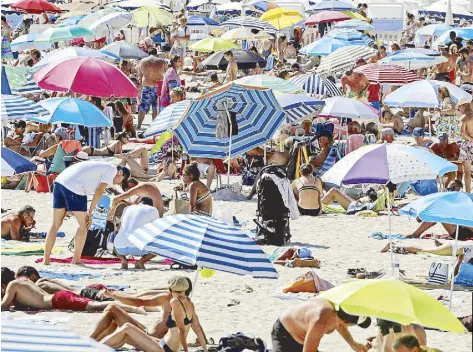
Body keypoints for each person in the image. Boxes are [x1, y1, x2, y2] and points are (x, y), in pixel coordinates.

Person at [43, 162, 130, 265]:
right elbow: (99, 191)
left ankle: (46, 260)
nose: (118, 184)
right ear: (120, 173)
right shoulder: (112, 169)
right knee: (84, 224)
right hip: (74, 187)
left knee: (55, 225)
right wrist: (91, 211)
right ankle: (76, 260)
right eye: (121, 182)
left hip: (59, 182)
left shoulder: (102, 167)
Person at [100, 276, 208, 352]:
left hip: (165, 349)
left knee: (127, 328)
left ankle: (94, 348)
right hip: (163, 344)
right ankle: (97, 347)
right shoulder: (190, 304)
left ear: (171, 290)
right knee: (126, 337)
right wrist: (205, 349)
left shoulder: (174, 303)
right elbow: (197, 329)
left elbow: (182, 331)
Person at [90, 277, 194, 342]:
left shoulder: (168, 299)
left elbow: (138, 302)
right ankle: (96, 341)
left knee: (112, 309)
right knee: (113, 317)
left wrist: (112, 295)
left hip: (150, 340)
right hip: (148, 334)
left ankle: (91, 340)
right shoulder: (188, 305)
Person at [1, 274, 145, 314]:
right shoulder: (24, 280)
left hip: (58, 301)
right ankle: (132, 305)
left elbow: (4, 306)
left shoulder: (12, 286)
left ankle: (133, 308)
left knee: (97, 306)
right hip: (59, 296)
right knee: (96, 305)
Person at [272, 297, 370, 352]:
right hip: (284, 333)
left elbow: (340, 325)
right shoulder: (319, 322)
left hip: (304, 339)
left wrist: (353, 344)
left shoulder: (340, 311)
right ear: (346, 322)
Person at [113, 197, 159, 269]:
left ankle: (123, 261)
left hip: (120, 248)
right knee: (159, 246)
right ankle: (140, 262)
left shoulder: (127, 209)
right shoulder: (153, 210)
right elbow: (157, 230)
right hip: (138, 248)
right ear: (151, 205)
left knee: (117, 240)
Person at [137, 56, 167, 129]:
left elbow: (140, 77)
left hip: (146, 86)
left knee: (143, 107)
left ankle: (139, 125)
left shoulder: (143, 61)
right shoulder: (162, 62)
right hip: (158, 87)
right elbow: (166, 74)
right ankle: (155, 126)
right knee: (155, 108)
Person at [458, 98, 473, 193]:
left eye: (459, 108)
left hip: (468, 144)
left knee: (467, 171)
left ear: (463, 106)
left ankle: (468, 193)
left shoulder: (464, 117)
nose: (459, 110)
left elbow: (462, 133)